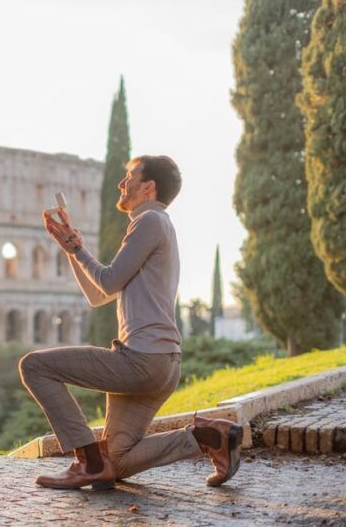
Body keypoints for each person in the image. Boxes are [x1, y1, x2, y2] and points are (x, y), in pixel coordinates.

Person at [19, 155, 242, 490]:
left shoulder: (150, 220)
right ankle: (208, 436)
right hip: (161, 363)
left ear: (148, 186)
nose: (122, 184)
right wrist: (72, 250)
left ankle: (88, 461)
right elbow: (99, 296)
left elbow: (107, 282)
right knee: (118, 462)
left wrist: (79, 250)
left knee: (35, 366)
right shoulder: (155, 225)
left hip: (141, 360)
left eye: (129, 176)